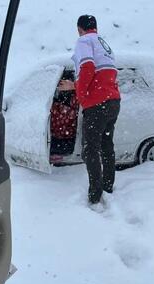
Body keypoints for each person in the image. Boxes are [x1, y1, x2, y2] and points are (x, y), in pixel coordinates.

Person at [58, 15, 121, 206]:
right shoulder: (104, 44)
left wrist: (80, 93)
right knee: (106, 145)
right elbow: (104, 72)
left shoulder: (84, 40)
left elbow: (87, 67)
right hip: (113, 101)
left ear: (79, 29)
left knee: (90, 150)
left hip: (97, 104)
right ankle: (108, 185)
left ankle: (95, 195)